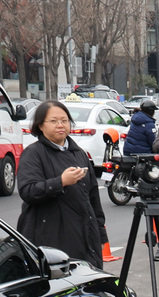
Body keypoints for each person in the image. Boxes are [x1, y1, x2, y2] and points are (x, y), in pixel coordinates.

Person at [16, 100, 109, 268]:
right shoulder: (33, 153)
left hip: (84, 235)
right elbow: (28, 191)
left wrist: (100, 234)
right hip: (50, 238)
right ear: (40, 125)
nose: (60, 125)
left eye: (64, 120)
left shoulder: (79, 153)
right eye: (53, 121)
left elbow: (93, 197)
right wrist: (61, 182)